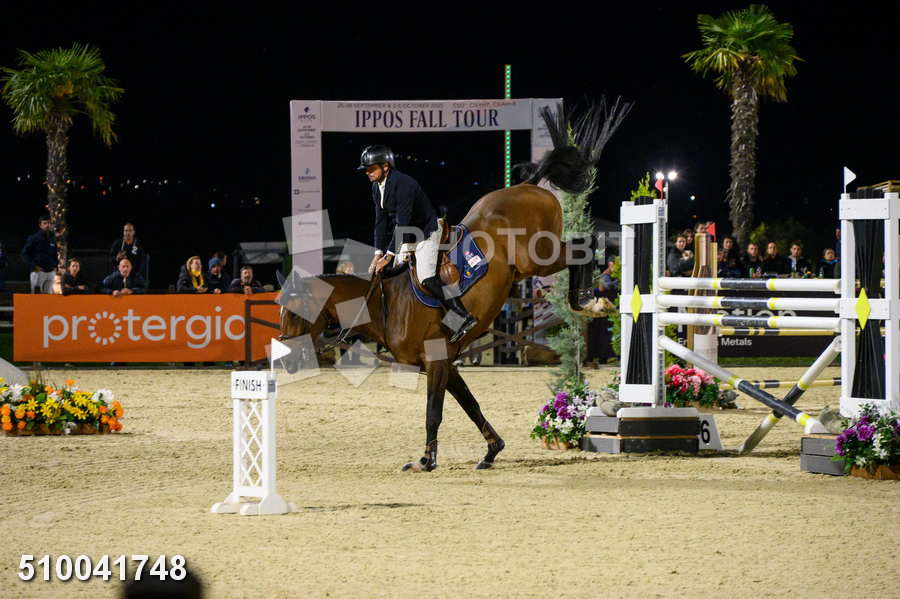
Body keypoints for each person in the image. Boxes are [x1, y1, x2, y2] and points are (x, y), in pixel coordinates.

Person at [360, 145, 476, 343]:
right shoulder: (376, 187)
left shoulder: (404, 184)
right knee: (393, 277)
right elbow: (380, 222)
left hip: (426, 232)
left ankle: (462, 316)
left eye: (371, 168)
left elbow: (403, 223)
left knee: (426, 278)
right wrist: (377, 254)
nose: (367, 172)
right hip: (407, 235)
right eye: (366, 169)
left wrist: (388, 256)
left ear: (385, 166)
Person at [22, 215, 59, 292]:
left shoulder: (53, 238)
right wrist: (34, 266)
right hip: (38, 271)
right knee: (37, 296)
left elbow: (55, 254)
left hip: (51, 272)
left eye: (49, 223)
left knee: (48, 296)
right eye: (45, 223)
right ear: (40, 225)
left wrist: (55, 266)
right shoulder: (33, 238)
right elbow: (24, 254)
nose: (47, 225)